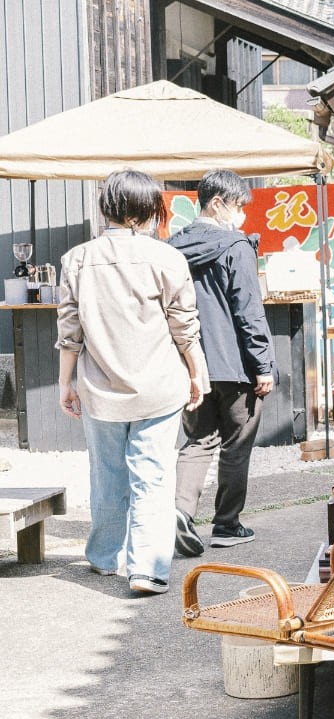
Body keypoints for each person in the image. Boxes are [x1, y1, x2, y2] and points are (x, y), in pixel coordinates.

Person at [56, 169, 208, 595]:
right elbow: (185, 328)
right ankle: (148, 569)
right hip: (159, 386)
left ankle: (106, 558)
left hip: (100, 389)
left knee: (106, 474)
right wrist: (197, 372)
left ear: (107, 208)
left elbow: (70, 331)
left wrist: (65, 383)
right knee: (153, 477)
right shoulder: (168, 258)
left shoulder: (77, 259)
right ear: (147, 211)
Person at [170, 169, 275, 554]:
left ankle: (181, 513)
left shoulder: (172, 247)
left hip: (188, 364)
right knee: (236, 443)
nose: (241, 215)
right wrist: (263, 363)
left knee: (198, 440)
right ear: (218, 203)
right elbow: (249, 310)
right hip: (235, 366)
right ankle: (226, 525)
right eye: (238, 206)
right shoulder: (236, 246)